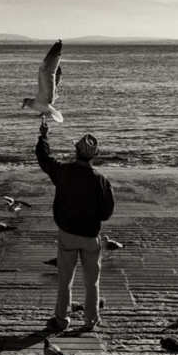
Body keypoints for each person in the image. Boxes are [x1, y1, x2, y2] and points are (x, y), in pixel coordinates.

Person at [36, 119, 115, 332]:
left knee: (65, 280)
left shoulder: (63, 172)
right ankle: (90, 320)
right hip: (90, 236)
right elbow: (107, 213)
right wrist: (92, 215)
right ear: (94, 155)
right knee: (92, 282)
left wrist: (43, 136)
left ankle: (61, 319)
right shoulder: (101, 180)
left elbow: (44, 159)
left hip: (68, 233)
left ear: (76, 151)